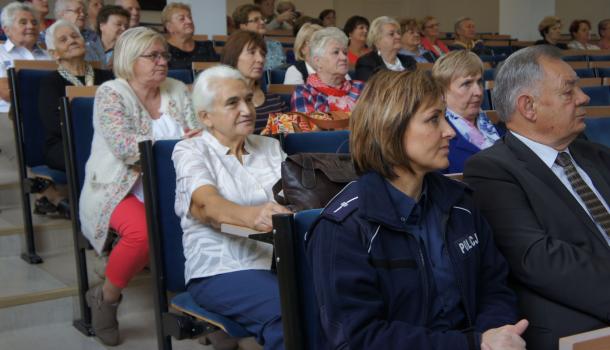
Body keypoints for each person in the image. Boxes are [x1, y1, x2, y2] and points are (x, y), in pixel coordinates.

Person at [306, 69, 527, 350]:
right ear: (389, 129)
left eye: (445, 117)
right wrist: (474, 343)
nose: (449, 131)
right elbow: (359, 339)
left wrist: (495, 337)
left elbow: (494, 287)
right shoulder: (344, 228)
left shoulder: (460, 202)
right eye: (434, 119)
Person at [463, 45, 610, 350]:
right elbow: (537, 258)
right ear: (528, 107)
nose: (584, 98)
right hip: (581, 317)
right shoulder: (491, 169)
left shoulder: (595, 154)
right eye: (569, 92)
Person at [80, 27, 198, 346]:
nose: (162, 62)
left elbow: (197, 133)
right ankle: (105, 298)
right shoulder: (112, 93)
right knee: (143, 232)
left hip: (173, 183)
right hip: (118, 186)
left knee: (212, 220)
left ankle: (206, 308)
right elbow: (127, 149)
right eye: (153, 56)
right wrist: (178, 144)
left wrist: (189, 142)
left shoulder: (175, 89)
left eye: (164, 55)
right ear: (131, 60)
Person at [173, 65, 291, 350]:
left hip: (282, 260)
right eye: (232, 103)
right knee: (289, 313)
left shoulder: (270, 147)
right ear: (206, 117)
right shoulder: (190, 150)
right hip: (221, 269)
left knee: (344, 297)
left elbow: (298, 198)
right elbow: (205, 205)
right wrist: (256, 215)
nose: (247, 109)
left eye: (248, 100)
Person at [37, 20, 113, 217]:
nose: (72, 40)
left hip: (107, 139)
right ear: (55, 53)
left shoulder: (107, 77)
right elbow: (54, 124)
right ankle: (94, 213)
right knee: (92, 154)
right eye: (63, 40)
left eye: (75, 36)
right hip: (64, 143)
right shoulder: (51, 83)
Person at [432, 50, 502, 173]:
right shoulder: (437, 139)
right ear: (442, 92)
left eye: (479, 82)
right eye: (467, 84)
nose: (479, 92)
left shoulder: (501, 127)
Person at [221, 30, 288, 133]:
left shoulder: (275, 101)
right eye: (252, 52)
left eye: (262, 54)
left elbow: (286, 137)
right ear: (234, 57)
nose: (260, 59)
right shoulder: (220, 100)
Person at [291, 27, 364, 113]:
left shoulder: (361, 88)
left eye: (345, 53)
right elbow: (307, 126)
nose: (344, 57)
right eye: (336, 52)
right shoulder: (304, 93)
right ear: (318, 61)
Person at [0, 2, 49, 113]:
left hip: (45, 116)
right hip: (6, 117)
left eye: (34, 22)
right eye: (23, 22)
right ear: (7, 29)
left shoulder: (49, 57)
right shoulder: (1, 54)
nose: (31, 26)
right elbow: (6, 92)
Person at [354, 16, 416, 82]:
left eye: (398, 33)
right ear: (377, 41)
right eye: (391, 34)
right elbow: (371, 89)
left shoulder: (409, 61)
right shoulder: (366, 63)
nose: (398, 36)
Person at [162, 2, 219, 70]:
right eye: (182, 19)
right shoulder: (163, 50)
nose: (189, 21)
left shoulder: (207, 47)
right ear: (169, 27)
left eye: (190, 17)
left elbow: (216, 72)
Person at [233, 4, 285, 70]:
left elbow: (282, 72)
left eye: (262, 19)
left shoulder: (275, 45)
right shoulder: (235, 48)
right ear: (243, 26)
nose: (262, 22)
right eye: (256, 20)